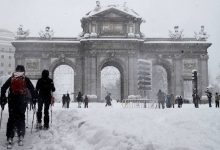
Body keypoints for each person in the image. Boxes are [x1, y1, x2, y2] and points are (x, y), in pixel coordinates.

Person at [0, 65, 37, 148]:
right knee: (21, 117)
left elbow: (3, 88)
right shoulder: (25, 79)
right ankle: (20, 135)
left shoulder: (12, 78)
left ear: (16, 71)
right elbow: (32, 89)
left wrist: (2, 98)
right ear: (23, 71)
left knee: (11, 118)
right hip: (22, 101)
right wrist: (34, 99)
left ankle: (10, 136)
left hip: (12, 100)